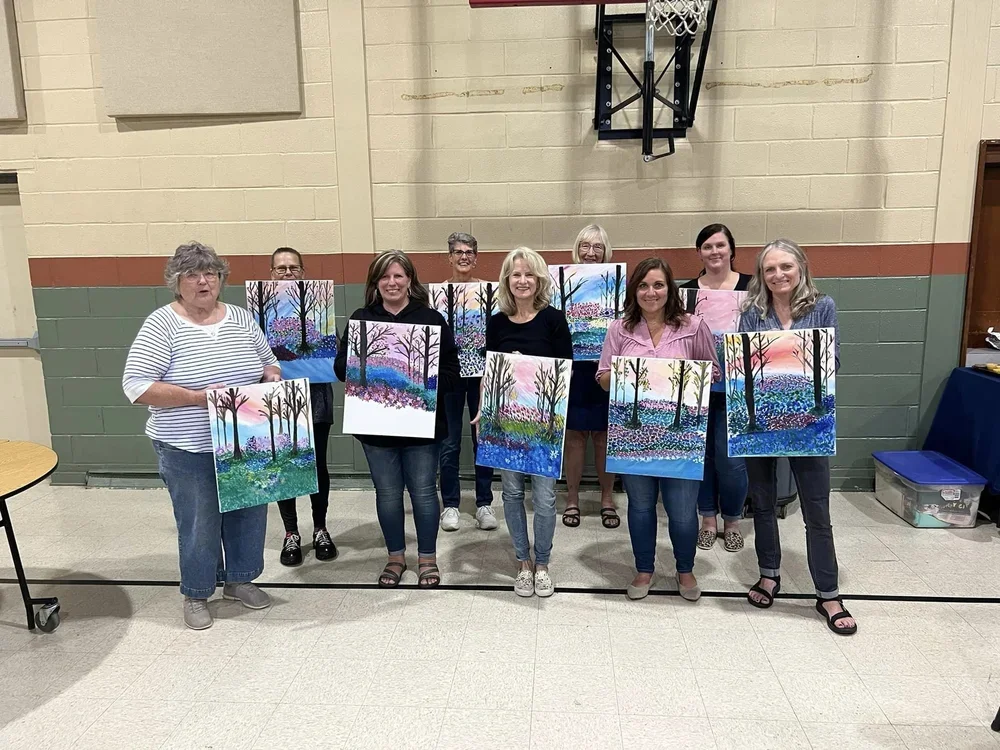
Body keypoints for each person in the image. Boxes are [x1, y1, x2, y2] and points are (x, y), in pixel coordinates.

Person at [122, 242, 278, 630]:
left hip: (245, 439)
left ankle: (240, 581)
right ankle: (196, 592)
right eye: (192, 274)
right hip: (187, 447)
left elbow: (268, 363)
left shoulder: (241, 318)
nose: (203, 281)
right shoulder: (162, 324)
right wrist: (197, 399)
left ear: (221, 278)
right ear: (176, 283)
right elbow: (137, 386)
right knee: (199, 522)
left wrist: (271, 380)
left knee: (247, 514)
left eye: (211, 273)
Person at [740, 239, 857, 635]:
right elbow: (744, 363)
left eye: (786, 266)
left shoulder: (823, 306)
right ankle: (769, 573)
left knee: (817, 509)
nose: (778, 275)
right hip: (761, 422)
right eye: (770, 269)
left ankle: (828, 592)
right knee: (762, 500)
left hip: (809, 422)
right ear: (761, 275)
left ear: (801, 267)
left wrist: (788, 358)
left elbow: (833, 359)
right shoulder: (751, 311)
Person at [334, 250, 460, 588]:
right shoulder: (362, 318)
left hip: (422, 426)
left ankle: (428, 559)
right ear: (376, 283)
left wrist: (422, 380)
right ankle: (395, 557)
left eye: (398, 276)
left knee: (422, 491)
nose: (392, 282)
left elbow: (452, 371)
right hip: (375, 428)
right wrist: (364, 366)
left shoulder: (432, 320)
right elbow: (341, 370)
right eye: (384, 276)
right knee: (387, 493)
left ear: (410, 281)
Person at [596, 258, 719, 602]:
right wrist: (628, 374)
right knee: (640, 506)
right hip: (633, 437)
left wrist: (680, 379)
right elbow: (603, 380)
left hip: (681, 438)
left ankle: (685, 568)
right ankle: (644, 569)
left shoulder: (694, 327)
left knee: (682, 511)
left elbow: (715, 376)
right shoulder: (618, 329)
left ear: (670, 289)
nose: (651, 292)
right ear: (634, 290)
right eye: (644, 285)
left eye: (659, 285)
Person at [474, 246, 573, 597]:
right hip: (505, 421)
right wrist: (484, 409)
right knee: (512, 493)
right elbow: (490, 370)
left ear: (539, 279)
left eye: (529, 274)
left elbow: (565, 375)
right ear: (507, 280)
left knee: (545, 498)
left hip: (544, 424)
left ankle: (542, 562)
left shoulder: (554, 320)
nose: (522, 280)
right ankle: (522, 562)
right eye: (516, 274)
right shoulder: (496, 322)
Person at [680, 224, 752, 553]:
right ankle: (707, 518)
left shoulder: (752, 287)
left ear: (731, 250)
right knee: (701, 457)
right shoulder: (686, 293)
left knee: (732, 461)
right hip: (696, 389)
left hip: (737, 389)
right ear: (699, 253)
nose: (714, 252)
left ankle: (733, 520)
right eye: (707, 246)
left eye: (720, 245)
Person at [269, 247, 337, 566]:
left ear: (303, 271)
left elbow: (331, 354)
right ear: (271, 274)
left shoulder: (321, 309)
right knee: (286, 465)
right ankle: (291, 533)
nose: (287, 274)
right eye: (280, 269)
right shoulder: (261, 313)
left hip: (317, 395)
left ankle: (320, 528)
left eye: (293, 268)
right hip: (279, 398)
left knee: (317, 465)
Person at [438, 232, 498, 532]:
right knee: (448, 443)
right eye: (458, 252)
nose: (464, 256)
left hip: (483, 377)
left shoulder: (492, 293)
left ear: (476, 257)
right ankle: (450, 505)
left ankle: (484, 502)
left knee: (482, 439)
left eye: (469, 252)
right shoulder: (435, 295)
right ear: (449, 257)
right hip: (448, 377)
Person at [562, 224, 619, 530]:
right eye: (585, 246)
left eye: (597, 247)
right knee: (573, 438)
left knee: (603, 438)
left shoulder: (617, 284)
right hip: (574, 369)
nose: (591, 253)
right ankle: (572, 498)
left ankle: (606, 499)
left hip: (606, 367)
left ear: (606, 251)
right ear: (577, 248)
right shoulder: (562, 283)